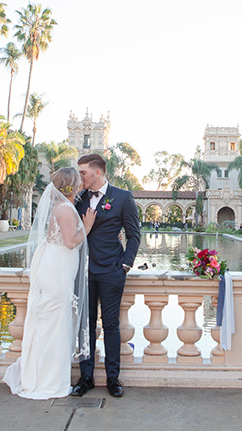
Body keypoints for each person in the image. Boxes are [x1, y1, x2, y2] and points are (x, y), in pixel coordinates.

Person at [4, 167, 93, 399]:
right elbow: (70, 242)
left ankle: (47, 376)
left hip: (57, 266)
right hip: (57, 270)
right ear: (72, 186)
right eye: (78, 179)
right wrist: (89, 226)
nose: (82, 182)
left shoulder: (61, 207)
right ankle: (50, 381)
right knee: (56, 323)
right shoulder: (65, 209)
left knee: (53, 322)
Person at [71, 153, 140, 399]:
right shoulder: (78, 199)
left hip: (112, 272)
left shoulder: (123, 198)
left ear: (97, 172)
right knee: (85, 326)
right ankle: (86, 377)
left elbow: (134, 236)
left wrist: (125, 265)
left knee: (111, 326)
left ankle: (113, 379)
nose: (80, 177)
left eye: (83, 172)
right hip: (84, 272)